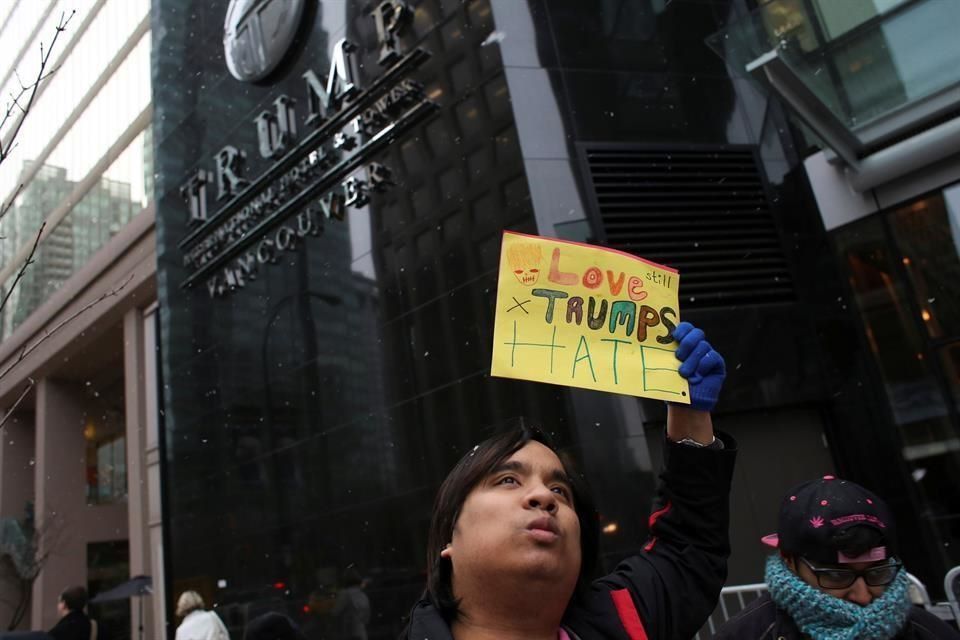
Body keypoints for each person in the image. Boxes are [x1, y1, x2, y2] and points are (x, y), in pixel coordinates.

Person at [402, 321, 736, 639]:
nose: (543, 498)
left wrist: (691, 415)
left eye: (560, 491)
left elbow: (687, 548)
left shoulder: (623, 620)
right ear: (449, 536)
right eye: (508, 480)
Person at [715, 476, 960, 639]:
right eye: (836, 576)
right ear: (789, 562)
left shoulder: (927, 632)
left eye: (878, 572)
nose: (863, 596)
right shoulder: (748, 634)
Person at [332, 567, 370, 640]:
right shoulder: (363, 595)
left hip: (350, 633)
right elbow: (367, 618)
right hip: (362, 634)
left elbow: (335, 612)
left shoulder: (345, 594)